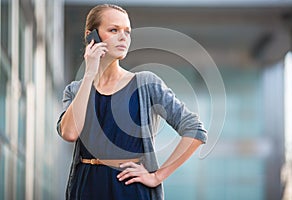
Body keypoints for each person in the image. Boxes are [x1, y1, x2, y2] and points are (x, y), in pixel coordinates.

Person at [56, 4, 207, 200]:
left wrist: (157, 176)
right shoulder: (75, 90)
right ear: (91, 36)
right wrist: (89, 74)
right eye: (113, 30)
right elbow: (69, 133)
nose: (123, 37)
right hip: (86, 187)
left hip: (131, 189)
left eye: (127, 31)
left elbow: (195, 130)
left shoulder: (146, 83)